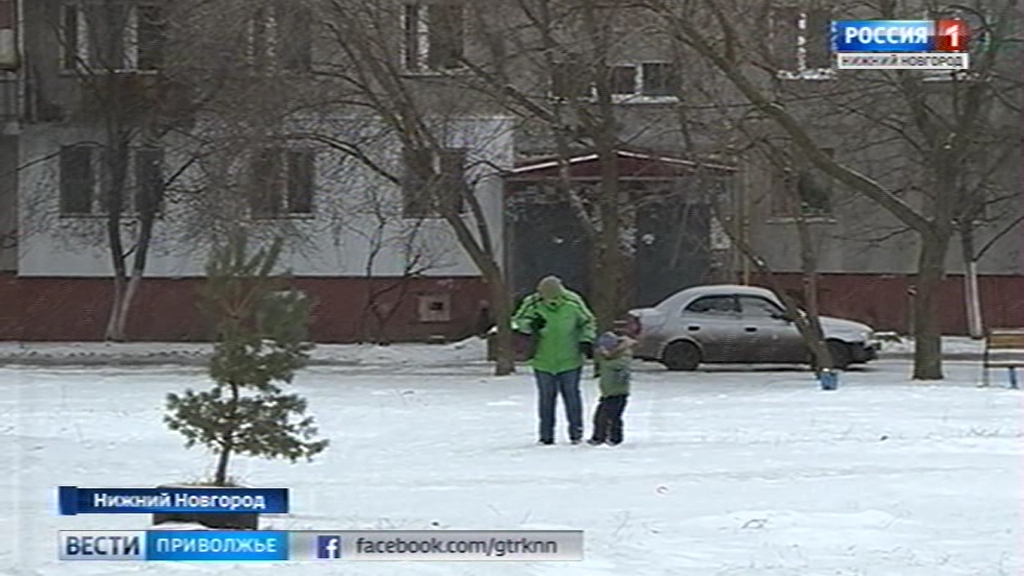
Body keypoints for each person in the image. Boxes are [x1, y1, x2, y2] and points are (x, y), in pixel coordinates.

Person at [512, 276, 597, 445]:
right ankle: (546, 436)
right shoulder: (532, 303)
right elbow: (517, 321)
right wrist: (530, 325)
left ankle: (576, 433)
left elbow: (588, 321)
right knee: (546, 399)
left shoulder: (573, 302)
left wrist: (586, 340)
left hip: (570, 359)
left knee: (572, 397)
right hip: (542, 360)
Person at [588, 331, 635, 446]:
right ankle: (598, 437)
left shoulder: (622, 358)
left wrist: (605, 362)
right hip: (607, 393)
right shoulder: (605, 359)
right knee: (600, 416)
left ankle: (615, 438)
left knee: (613, 417)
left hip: (618, 393)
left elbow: (622, 370)